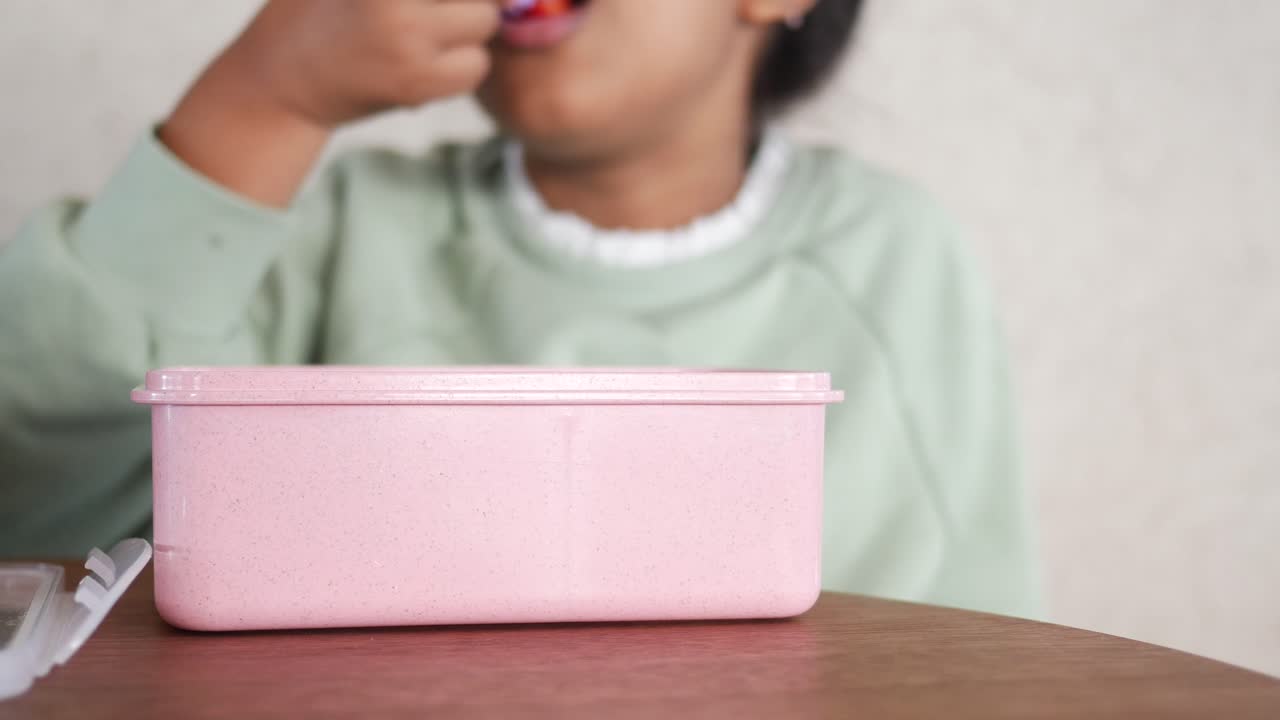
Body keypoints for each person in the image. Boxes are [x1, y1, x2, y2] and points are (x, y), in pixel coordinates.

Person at [0, 0, 1038, 617]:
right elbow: (45, 512)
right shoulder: (339, 231)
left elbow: (971, 644)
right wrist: (264, 100)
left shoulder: (891, 253)